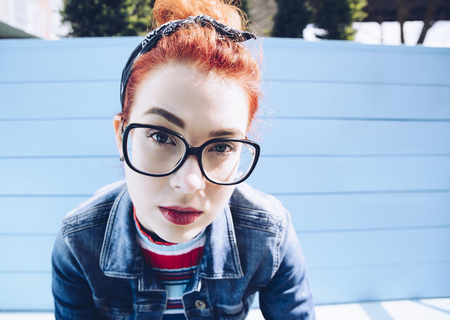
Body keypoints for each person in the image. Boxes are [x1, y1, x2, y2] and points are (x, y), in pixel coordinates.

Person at [51, 0, 315, 318]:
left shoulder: (269, 234)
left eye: (221, 147)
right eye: (161, 136)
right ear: (122, 135)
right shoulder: (79, 242)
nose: (189, 183)